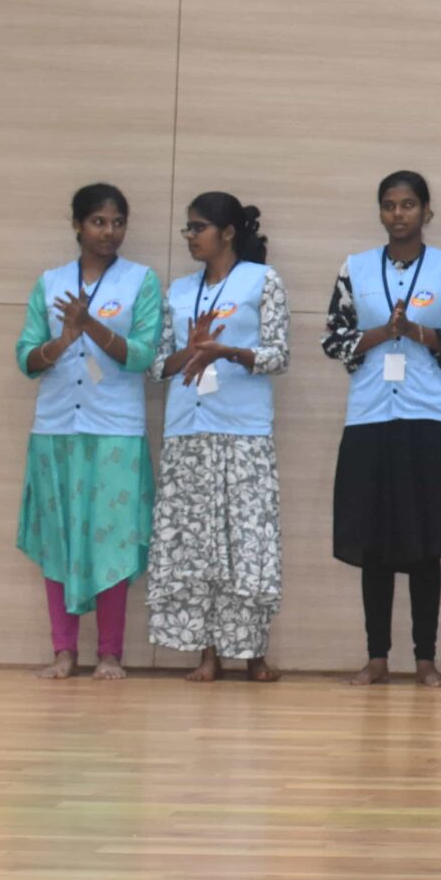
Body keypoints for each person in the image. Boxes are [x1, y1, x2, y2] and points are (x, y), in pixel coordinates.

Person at [324, 171, 441, 689]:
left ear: (426, 211)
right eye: (389, 205)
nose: (398, 214)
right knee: (374, 544)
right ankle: (377, 657)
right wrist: (381, 333)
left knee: (425, 543)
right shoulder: (355, 267)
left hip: (429, 418)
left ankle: (426, 659)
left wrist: (415, 332)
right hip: (370, 418)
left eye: (408, 204)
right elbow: (334, 339)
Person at [16, 182, 161, 681]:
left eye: (118, 222)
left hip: (116, 429)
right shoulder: (49, 282)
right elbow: (26, 359)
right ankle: (63, 652)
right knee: (58, 539)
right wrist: (64, 340)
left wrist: (91, 324)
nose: (109, 232)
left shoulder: (141, 281)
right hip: (55, 428)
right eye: (99, 221)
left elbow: (142, 355)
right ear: (77, 225)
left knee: (114, 541)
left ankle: (110, 654)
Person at [148, 192, 289, 682]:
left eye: (198, 227)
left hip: (243, 433)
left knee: (247, 546)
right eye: (188, 228)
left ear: (227, 233)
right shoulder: (178, 291)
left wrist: (225, 351)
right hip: (187, 432)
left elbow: (278, 356)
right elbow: (157, 367)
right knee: (197, 548)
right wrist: (189, 351)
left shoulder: (262, 281)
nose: (190, 236)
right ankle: (207, 654)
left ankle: (253, 655)